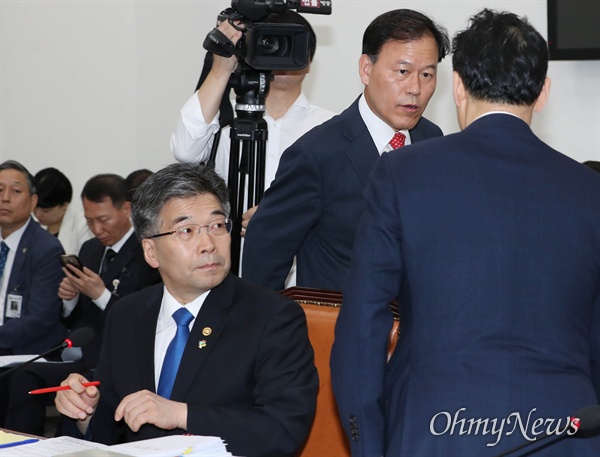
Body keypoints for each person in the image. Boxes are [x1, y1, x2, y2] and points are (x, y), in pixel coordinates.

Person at [330, 9, 600, 456]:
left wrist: (367, 445)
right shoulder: (590, 191)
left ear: (457, 86)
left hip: (434, 431)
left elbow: (362, 329)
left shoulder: (401, 174)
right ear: (543, 92)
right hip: (566, 433)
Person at [55, 162, 318, 457]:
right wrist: (84, 410)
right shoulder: (127, 315)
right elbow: (112, 425)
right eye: (187, 230)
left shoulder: (272, 316)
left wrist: (181, 414)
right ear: (151, 252)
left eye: (217, 226)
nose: (208, 243)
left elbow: (282, 432)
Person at [242, 9, 450, 291]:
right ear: (366, 69)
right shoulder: (316, 154)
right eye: (402, 72)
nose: (415, 88)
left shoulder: (432, 139)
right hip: (338, 329)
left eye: (427, 74)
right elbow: (263, 257)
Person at [171, 10, 335, 274]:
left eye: (290, 43)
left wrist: (282, 217)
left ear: (309, 61)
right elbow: (185, 150)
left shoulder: (332, 128)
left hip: (302, 280)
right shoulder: (224, 116)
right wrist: (220, 68)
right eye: (269, 43)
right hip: (228, 272)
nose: (279, 55)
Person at [3, 173, 162, 435]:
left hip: (115, 359)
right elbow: (73, 318)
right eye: (89, 221)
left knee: (33, 381)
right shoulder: (90, 249)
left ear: (126, 209)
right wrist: (71, 297)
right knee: (18, 375)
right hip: (79, 351)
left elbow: (143, 319)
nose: (97, 229)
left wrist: (100, 294)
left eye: (103, 220)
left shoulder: (146, 252)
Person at [0, 160, 66, 355]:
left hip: (23, 355)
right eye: (0, 190)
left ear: (33, 201)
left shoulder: (47, 249)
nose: (5, 198)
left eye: (16, 191)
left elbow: (38, 320)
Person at [33, 167, 93, 255]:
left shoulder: (83, 226)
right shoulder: (31, 224)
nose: (37, 214)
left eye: (45, 211)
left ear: (64, 205)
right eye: (34, 208)